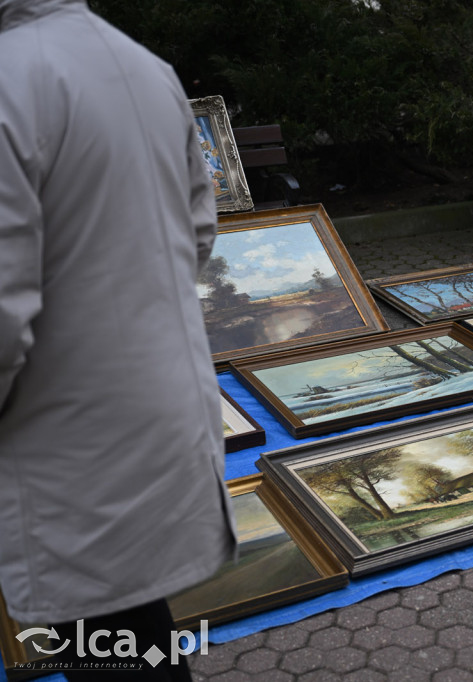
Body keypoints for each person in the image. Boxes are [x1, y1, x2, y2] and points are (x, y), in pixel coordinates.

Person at [0, 1, 236, 679]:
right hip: (158, 403)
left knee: (106, 639)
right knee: (129, 623)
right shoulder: (143, 64)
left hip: (64, 428)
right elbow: (198, 231)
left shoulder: (9, 76)